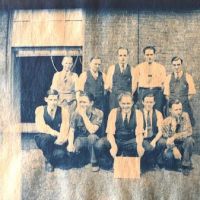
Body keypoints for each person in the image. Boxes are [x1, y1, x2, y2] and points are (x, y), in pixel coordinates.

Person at [67, 91, 104, 172]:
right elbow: (71, 131)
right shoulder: (75, 114)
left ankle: (94, 162)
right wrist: (70, 144)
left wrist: (83, 115)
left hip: (94, 139)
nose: (81, 104)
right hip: (81, 139)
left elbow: (92, 130)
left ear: (91, 103)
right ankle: (85, 158)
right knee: (72, 153)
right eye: (80, 102)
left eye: (84, 102)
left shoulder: (99, 113)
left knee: (92, 137)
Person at [157, 99, 194, 176]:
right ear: (170, 110)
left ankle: (185, 165)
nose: (179, 112)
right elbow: (167, 139)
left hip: (182, 144)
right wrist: (174, 148)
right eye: (176, 109)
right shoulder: (166, 122)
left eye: (180, 109)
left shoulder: (185, 116)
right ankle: (173, 162)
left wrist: (175, 136)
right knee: (169, 159)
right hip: (171, 146)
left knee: (190, 140)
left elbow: (189, 131)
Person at [34, 89, 69, 172]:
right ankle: (49, 162)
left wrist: (62, 137)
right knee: (47, 139)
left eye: (55, 100)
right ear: (46, 99)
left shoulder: (63, 110)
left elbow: (65, 125)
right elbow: (41, 126)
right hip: (44, 137)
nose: (53, 102)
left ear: (58, 100)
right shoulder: (40, 110)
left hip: (58, 139)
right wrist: (56, 133)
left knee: (61, 154)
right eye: (51, 100)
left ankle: (50, 155)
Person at [104, 92, 144, 159]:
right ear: (119, 103)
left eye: (128, 103)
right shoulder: (113, 112)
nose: (125, 106)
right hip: (117, 141)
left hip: (131, 141)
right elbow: (110, 133)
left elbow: (139, 133)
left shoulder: (138, 113)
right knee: (100, 144)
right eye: (123, 103)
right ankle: (112, 160)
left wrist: (139, 146)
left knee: (145, 146)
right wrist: (113, 146)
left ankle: (128, 156)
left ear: (132, 103)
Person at [164, 56, 196, 126]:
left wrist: (182, 103)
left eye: (178, 65)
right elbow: (166, 95)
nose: (176, 67)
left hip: (184, 105)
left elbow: (191, 93)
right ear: (172, 66)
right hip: (172, 106)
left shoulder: (188, 77)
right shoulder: (168, 78)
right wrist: (174, 105)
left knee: (186, 125)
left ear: (181, 65)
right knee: (172, 125)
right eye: (174, 65)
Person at [132, 46, 166, 113]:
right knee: (142, 112)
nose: (149, 57)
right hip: (143, 91)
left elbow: (164, 84)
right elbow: (134, 84)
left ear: (154, 55)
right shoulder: (138, 68)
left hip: (157, 92)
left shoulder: (161, 68)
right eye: (147, 55)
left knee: (157, 112)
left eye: (151, 55)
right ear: (144, 55)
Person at [51, 56, 79, 132]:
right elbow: (53, 90)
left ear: (72, 64)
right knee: (61, 120)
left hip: (72, 102)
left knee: (70, 121)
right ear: (62, 63)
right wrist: (53, 102)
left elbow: (77, 91)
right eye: (66, 63)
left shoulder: (75, 75)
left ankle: (69, 139)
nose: (68, 65)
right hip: (60, 102)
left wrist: (78, 103)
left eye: (70, 63)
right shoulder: (57, 75)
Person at [140, 93, 164, 170]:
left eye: (151, 102)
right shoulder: (138, 113)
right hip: (143, 138)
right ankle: (150, 162)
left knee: (162, 142)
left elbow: (161, 131)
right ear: (142, 102)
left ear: (154, 103)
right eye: (147, 102)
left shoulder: (158, 113)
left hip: (153, 137)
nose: (148, 104)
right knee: (148, 148)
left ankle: (157, 161)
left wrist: (154, 140)